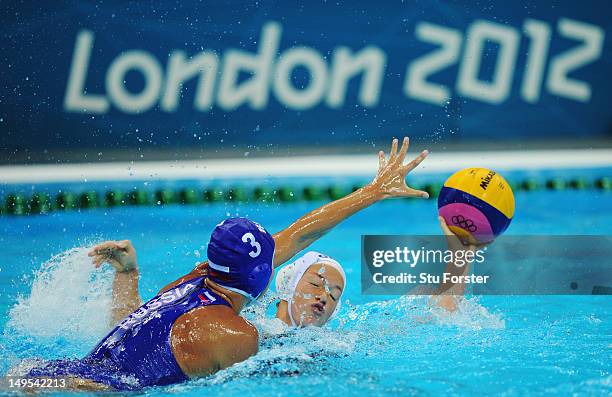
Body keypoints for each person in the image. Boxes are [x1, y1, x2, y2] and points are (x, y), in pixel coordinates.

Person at [21, 137, 429, 391]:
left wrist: (373, 192)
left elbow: (132, 337)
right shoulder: (234, 333)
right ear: (261, 278)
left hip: (50, 373)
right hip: (78, 388)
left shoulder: (192, 283)